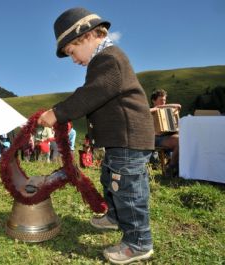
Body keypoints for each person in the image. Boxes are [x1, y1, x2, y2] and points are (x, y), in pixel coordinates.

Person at [37, 7, 155, 264]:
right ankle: (114, 216)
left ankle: (139, 242)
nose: (74, 60)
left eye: (72, 52)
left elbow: (92, 94)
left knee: (127, 189)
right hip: (120, 139)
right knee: (111, 178)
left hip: (129, 137)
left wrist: (58, 113)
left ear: (87, 36)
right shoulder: (105, 60)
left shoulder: (109, 59)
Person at [150, 89, 181, 176]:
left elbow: (178, 106)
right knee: (180, 141)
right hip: (155, 138)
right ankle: (170, 168)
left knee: (185, 138)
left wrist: (161, 107)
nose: (163, 103)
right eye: (161, 100)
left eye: (164, 100)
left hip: (169, 136)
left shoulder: (166, 110)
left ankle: (174, 165)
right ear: (153, 100)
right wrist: (156, 109)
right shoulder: (150, 110)